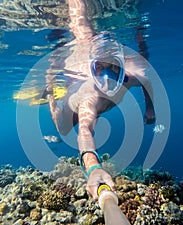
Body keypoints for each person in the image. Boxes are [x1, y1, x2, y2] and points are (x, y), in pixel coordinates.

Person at [46, 0, 156, 200]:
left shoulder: (130, 78)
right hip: (74, 107)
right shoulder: (90, 99)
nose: (107, 79)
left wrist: (150, 108)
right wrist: (93, 167)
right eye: (99, 70)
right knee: (62, 129)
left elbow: (148, 81)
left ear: (122, 68)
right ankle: (50, 95)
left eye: (114, 69)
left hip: (93, 101)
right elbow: (85, 132)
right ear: (92, 68)